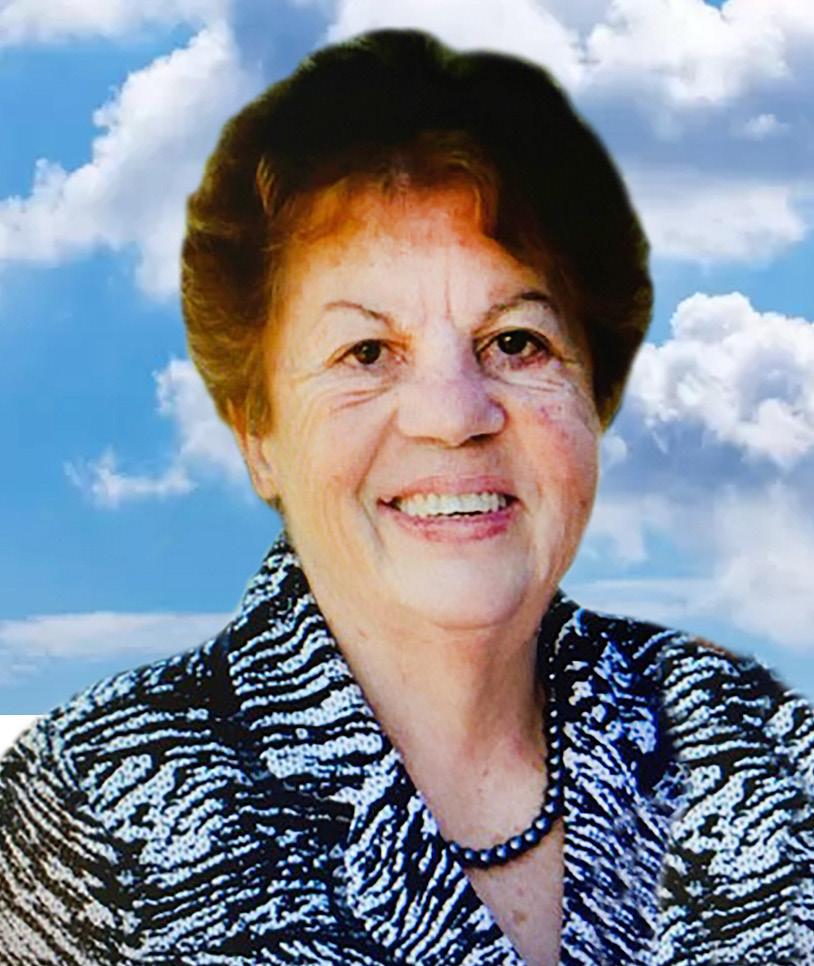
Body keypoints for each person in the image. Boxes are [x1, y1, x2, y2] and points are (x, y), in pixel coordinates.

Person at [1, 27, 813, 966]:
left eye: (516, 342)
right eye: (367, 353)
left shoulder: (762, 747)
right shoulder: (84, 812)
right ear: (258, 436)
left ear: (595, 395)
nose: (454, 416)